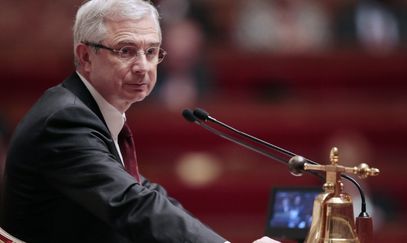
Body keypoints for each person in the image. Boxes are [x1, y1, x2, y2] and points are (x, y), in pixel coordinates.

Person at [0, 0, 280, 243]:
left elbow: (145, 192)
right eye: (125, 50)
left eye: (151, 52)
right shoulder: (64, 120)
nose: (143, 66)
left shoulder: (89, 110)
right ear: (85, 57)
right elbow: (131, 204)